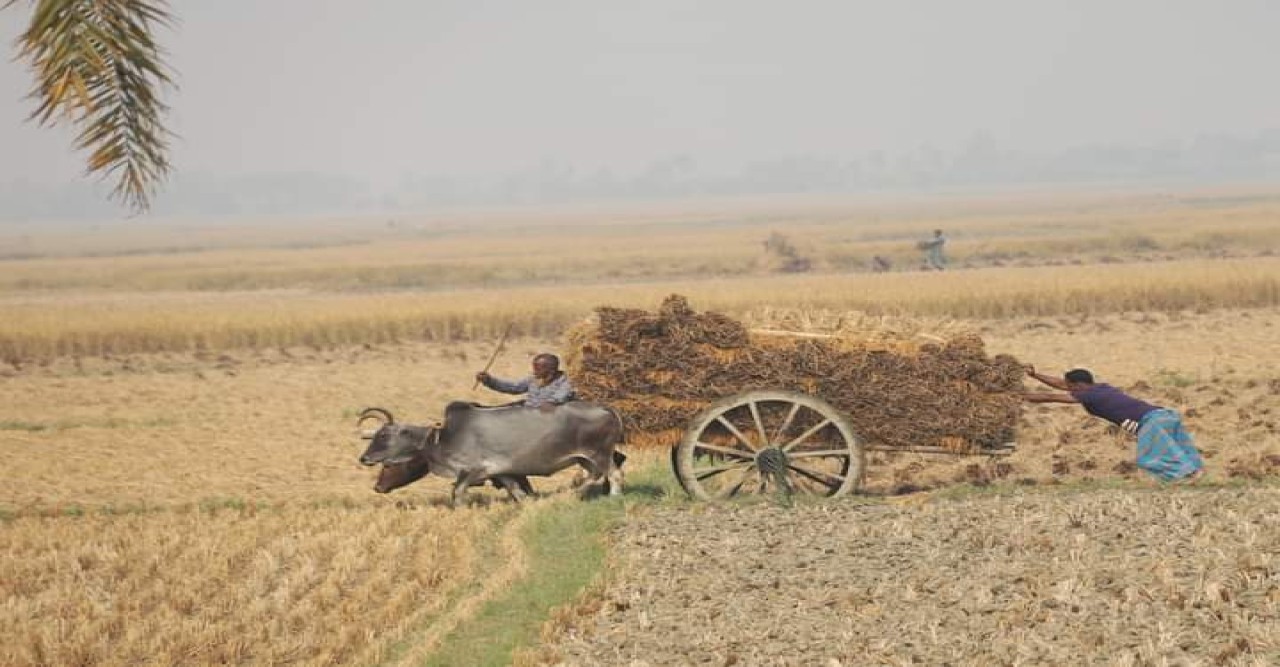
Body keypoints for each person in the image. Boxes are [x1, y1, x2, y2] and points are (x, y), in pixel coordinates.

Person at [1023, 366, 1204, 483]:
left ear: (1078, 385)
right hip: (1165, 415)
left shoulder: (1088, 395)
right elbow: (1060, 385)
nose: (1067, 388)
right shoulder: (1100, 387)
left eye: (1070, 386)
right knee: (1175, 450)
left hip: (1151, 421)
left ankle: (1187, 476)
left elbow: (1051, 396)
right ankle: (1192, 472)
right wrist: (1035, 375)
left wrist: (1015, 396)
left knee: (1147, 458)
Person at [475, 352, 576, 409]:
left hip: (549, 418)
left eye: (538, 369)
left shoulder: (566, 381)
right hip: (527, 413)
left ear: (551, 370)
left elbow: (560, 397)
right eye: (534, 368)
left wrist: (551, 403)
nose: (534, 371)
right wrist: (489, 380)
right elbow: (514, 388)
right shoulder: (534, 379)